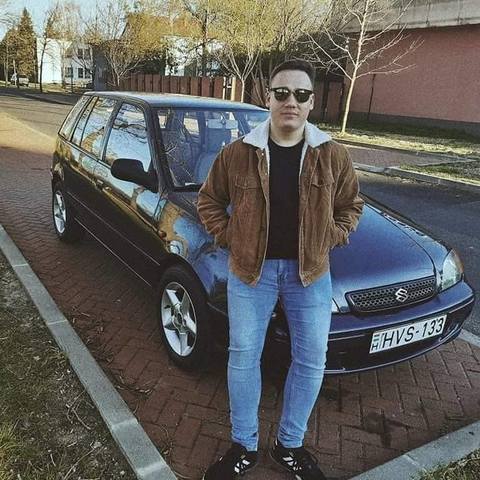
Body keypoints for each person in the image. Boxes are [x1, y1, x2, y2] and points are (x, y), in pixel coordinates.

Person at [197, 59, 364, 480]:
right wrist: (231, 236)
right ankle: (244, 445)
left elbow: (351, 205)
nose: (291, 101)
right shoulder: (237, 153)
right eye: (282, 93)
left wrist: (333, 236)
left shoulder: (332, 155)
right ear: (267, 98)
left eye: (301, 94)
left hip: (310, 274)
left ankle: (289, 445)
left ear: (311, 103)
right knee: (243, 358)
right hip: (250, 273)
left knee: (311, 360)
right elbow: (208, 201)